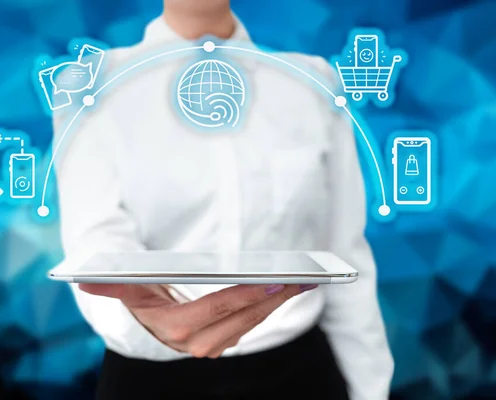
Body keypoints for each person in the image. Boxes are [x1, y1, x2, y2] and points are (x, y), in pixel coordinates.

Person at [53, 0, 394, 399]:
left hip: (300, 373)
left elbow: (346, 255)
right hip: (150, 379)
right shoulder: (91, 86)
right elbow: (95, 239)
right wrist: (144, 323)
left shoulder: (312, 82)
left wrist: (370, 391)